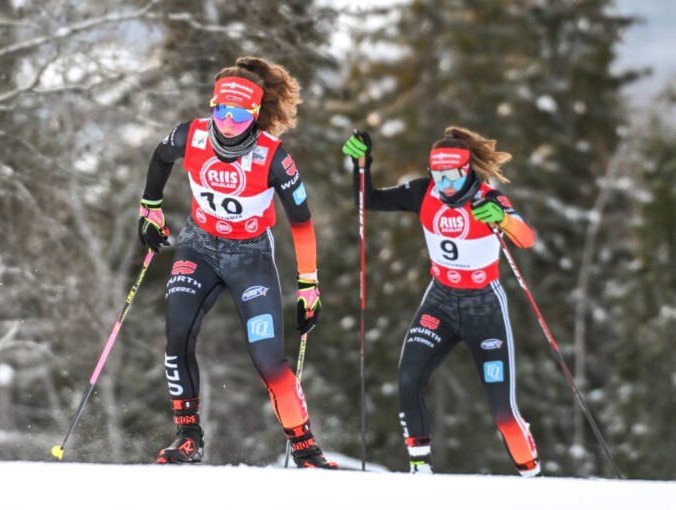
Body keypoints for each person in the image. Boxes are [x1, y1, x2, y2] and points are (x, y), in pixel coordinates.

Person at [137, 56, 337, 469]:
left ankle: (305, 447)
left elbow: (301, 222)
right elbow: (160, 158)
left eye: (240, 115)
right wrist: (150, 209)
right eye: (221, 111)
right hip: (198, 247)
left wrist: (309, 285)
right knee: (176, 337)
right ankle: (188, 437)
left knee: (267, 358)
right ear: (213, 107)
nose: (228, 123)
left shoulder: (273, 157)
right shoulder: (190, 136)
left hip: (251, 257)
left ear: (255, 115)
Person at [342, 126, 541, 477]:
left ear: (468, 171)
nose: (445, 184)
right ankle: (420, 468)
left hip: (484, 309)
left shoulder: (488, 199)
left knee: (503, 412)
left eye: (453, 176)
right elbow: (368, 200)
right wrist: (361, 164)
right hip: (440, 302)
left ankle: (530, 472)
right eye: (438, 175)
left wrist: (504, 220)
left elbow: (526, 239)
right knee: (408, 379)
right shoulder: (424, 193)